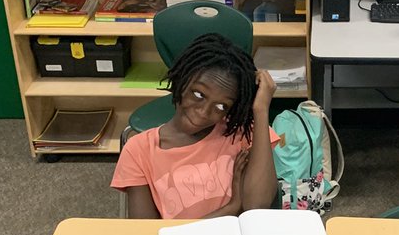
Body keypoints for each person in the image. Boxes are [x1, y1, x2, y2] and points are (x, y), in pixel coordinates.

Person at [111, 33, 278, 219]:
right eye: (198, 94)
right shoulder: (139, 150)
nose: (204, 112)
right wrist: (229, 210)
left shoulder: (241, 131)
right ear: (182, 80)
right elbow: (147, 234)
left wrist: (262, 110)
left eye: (221, 106)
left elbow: (258, 205)